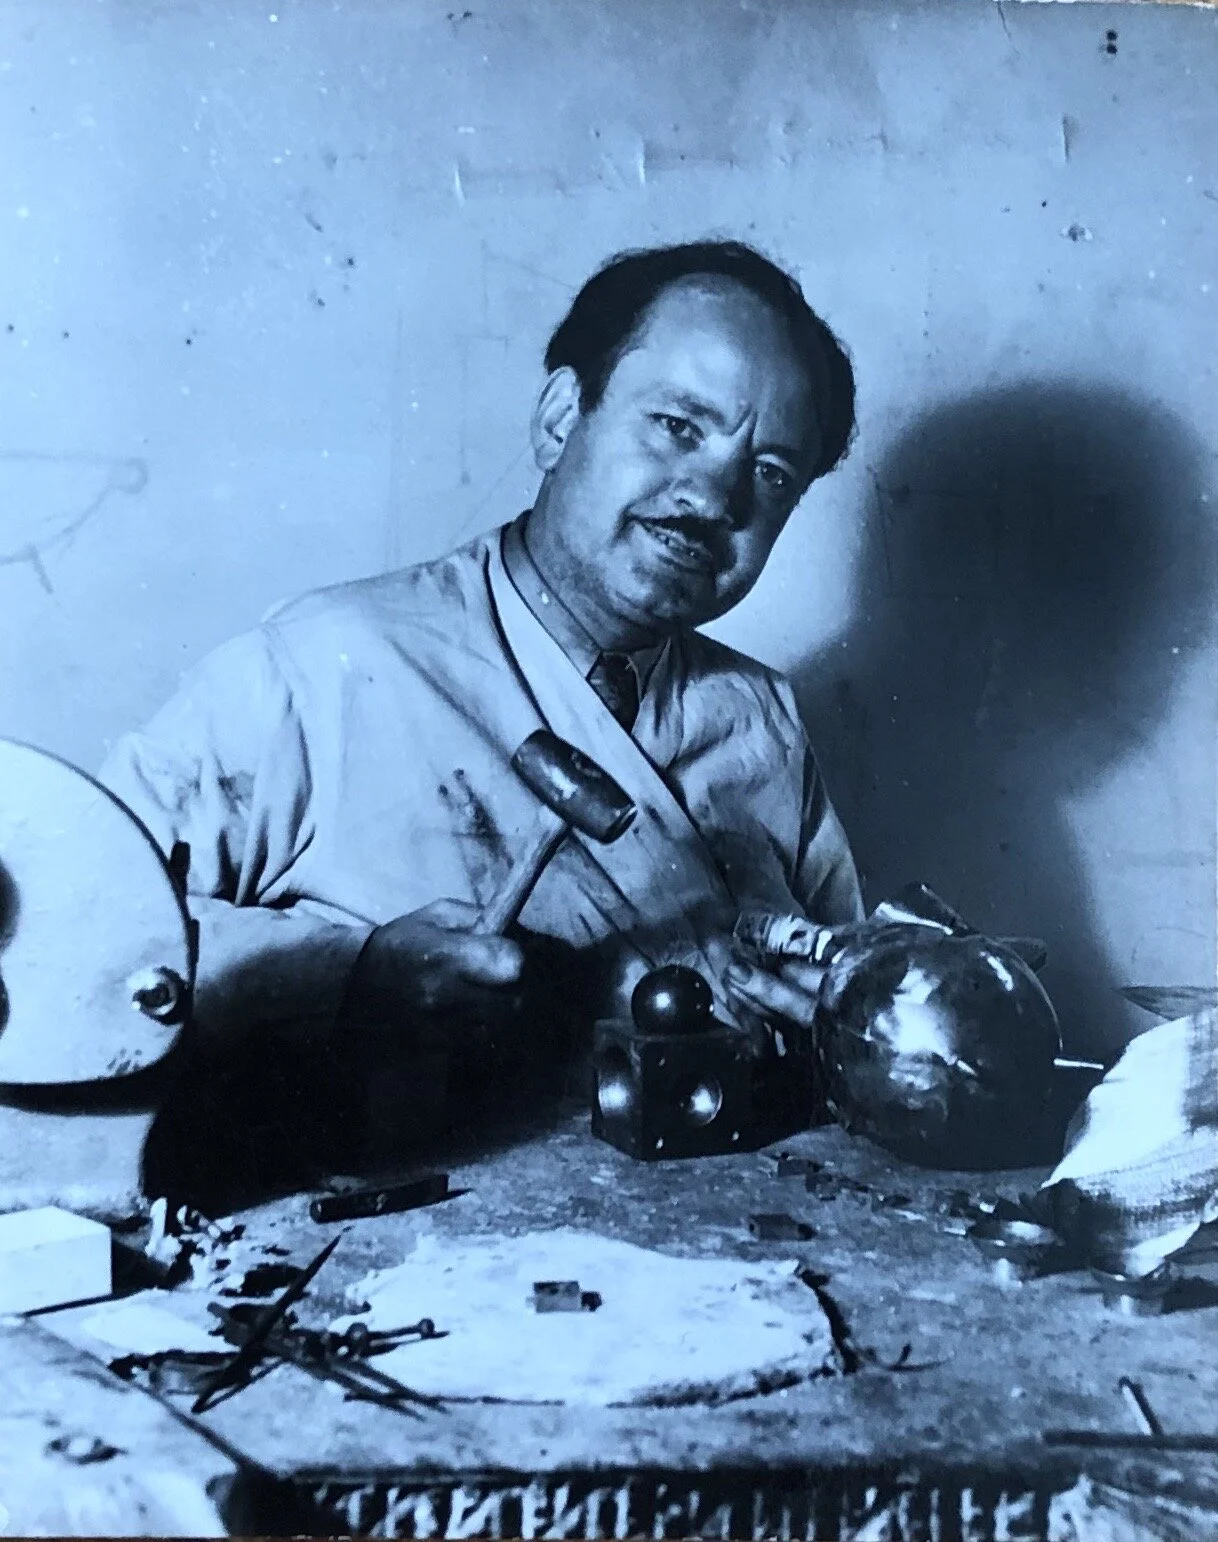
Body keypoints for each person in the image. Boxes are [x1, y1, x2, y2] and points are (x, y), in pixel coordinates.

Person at [100, 240, 864, 1106]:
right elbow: (73, 938)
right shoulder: (322, 668)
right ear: (559, 420)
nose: (715, 497)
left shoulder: (760, 719)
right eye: (677, 427)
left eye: (770, 474)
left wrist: (841, 1018)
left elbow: (845, 992)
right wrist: (347, 977)